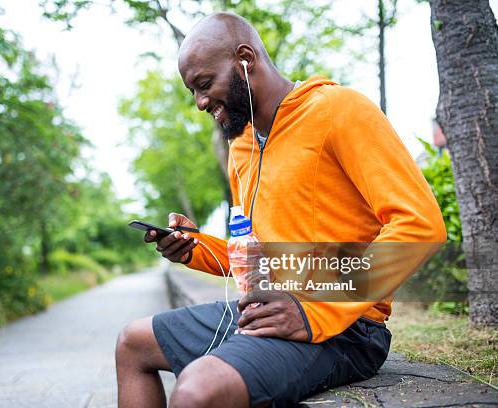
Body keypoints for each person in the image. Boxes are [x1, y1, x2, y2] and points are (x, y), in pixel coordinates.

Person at [115, 12, 446, 408]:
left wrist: (315, 310)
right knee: (132, 343)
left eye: (204, 85)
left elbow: (420, 226)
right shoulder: (241, 147)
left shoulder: (339, 110)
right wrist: (195, 248)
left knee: (198, 389)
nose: (200, 102)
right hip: (271, 309)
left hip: (348, 329)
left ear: (244, 58)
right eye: (193, 92)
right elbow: (258, 255)